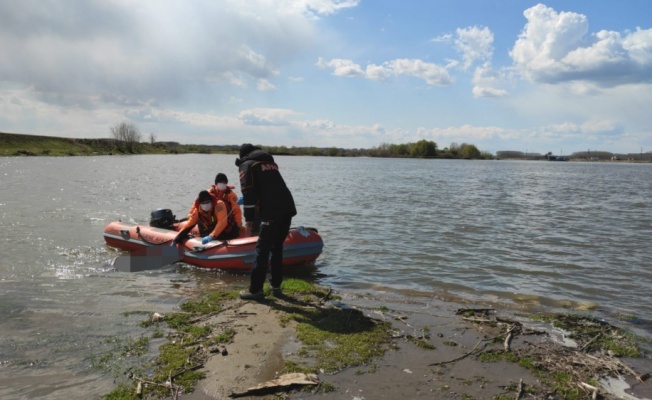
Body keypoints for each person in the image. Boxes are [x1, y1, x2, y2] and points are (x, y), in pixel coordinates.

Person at [236, 143, 297, 300]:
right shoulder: (270, 163)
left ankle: (255, 290)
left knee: (262, 250)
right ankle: (275, 285)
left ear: (242, 155)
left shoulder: (247, 164)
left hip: (271, 211)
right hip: (288, 207)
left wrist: (249, 219)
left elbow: (248, 193)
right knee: (277, 247)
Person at [172, 190, 238, 246]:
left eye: (208, 202)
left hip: (228, 232)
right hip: (214, 232)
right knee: (200, 225)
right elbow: (189, 224)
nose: (206, 205)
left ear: (211, 201)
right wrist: (176, 239)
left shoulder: (219, 205)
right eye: (204, 203)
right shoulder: (198, 211)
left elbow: (222, 222)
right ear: (200, 203)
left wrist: (211, 236)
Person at [186, 172, 243, 237]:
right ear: (216, 183)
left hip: (224, 219)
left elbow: (236, 210)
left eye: (224, 183)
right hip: (211, 219)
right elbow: (197, 204)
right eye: (220, 182)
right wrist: (191, 213)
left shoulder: (231, 195)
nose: (222, 184)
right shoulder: (208, 193)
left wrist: (239, 224)